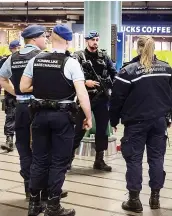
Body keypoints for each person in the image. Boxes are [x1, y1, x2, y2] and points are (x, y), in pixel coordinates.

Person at [20, 24, 92, 216]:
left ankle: (34, 203)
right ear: (68, 41)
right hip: (62, 117)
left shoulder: (35, 59)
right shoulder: (71, 63)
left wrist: (44, 89)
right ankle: (53, 205)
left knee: (39, 160)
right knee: (59, 161)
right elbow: (82, 94)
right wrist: (88, 117)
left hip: (39, 115)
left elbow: (23, 86)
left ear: (51, 38)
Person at [109, 35, 172, 213]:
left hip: (135, 124)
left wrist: (113, 120)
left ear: (137, 48)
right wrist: (168, 118)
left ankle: (134, 201)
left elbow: (116, 100)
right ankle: (155, 199)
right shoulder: (167, 69)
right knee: (157, 159)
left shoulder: (128, 71)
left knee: (134, 160)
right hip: (159, 122)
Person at [0, 25, 48, 201]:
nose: (46, 39)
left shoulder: (13, 58)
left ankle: (28, 187)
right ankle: (42, 189)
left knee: (23, 147)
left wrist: (17, 92)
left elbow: (1, 78)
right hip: (39, 107)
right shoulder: (42, 57)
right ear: (34, 39)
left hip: (20, 108)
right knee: (42, 147)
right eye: (44, 36)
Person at [68, 30, 116, 172]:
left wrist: (111, 88)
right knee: (78, 129)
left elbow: (114, 74)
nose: (95, 42)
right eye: (92, 39)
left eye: (97, 39)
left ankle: (99, 160)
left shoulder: (104, 56)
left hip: (101, 98)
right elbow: (70, 76)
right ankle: (68, 159)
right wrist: (85, 82)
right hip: (85, 97)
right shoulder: (78, 57)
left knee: (102, 130)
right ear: (86, 41)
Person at [0, 40, 21, 152]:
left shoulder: (24, 60)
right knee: (10, 116)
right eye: (15, 48)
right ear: (10, 49)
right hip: (10, 93)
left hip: (23, 93)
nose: (17, 50)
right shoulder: (5, 61)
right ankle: (9, 140)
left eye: (19, 48)